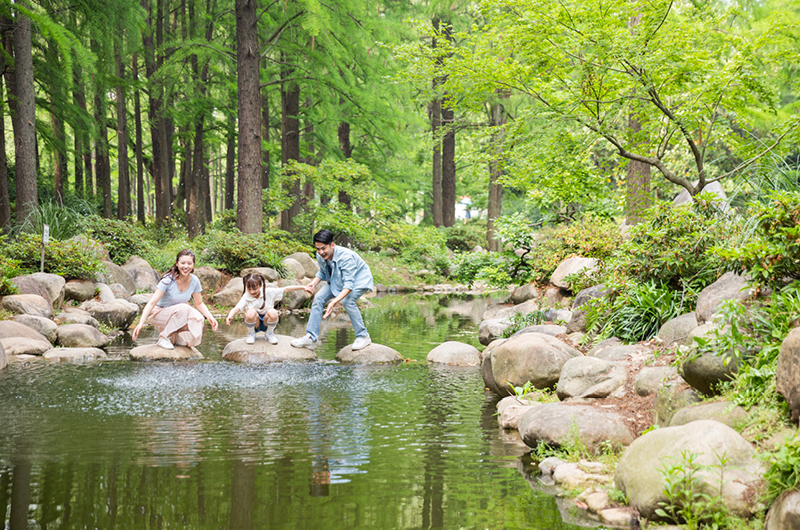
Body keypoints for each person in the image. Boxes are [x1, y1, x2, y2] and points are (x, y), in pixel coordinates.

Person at [291, 229, 374, 351]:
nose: (321, 252)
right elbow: (322, 271)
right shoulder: (321, 255)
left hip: (358, 280)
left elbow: (349, 285)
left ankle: (363, 336)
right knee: (318, 298)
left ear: (332, 245)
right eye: (318, 249)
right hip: (337, 279)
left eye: (323, 248)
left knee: (347, 301)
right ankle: (311, 338)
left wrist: (334, 301)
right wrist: (313, 284)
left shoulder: (346, 257)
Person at [132, 249, 218, 349]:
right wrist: (141, 323)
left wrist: (210, 317)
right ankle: (164, 337)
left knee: (198, 318)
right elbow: (151, 303)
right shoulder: (168, 279)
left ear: (193, 264)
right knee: (185, 308)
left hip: (178, 315)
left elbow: (199, 303)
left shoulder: (194, 281)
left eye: (189, 263)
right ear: (177, 263)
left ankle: (175, 337)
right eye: (183, 263)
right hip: (159, 313)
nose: (186, 266)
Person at [225, 272, 307, 344]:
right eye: (249, 289)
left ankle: (269, 334)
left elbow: (285, 289)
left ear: (260, 286)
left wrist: (303, 287)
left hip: (267, 321)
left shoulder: (268, 292)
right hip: (254, 322)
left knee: (273, 312)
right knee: (250, 312)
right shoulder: (246, 296)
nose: (252, 291)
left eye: (255, 288)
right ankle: (251, 334)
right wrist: (230, 316)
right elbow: (237, 308)